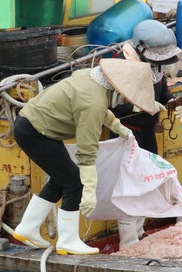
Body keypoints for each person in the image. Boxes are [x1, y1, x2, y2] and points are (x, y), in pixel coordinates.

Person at [11, 59, 158, 255]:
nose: (124, 100)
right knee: (74, 181)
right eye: (124, 96)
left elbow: (99, 107)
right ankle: (68, 240)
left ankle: (28, 227)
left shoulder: (90, 78)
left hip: (36, 127)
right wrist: (88, 189)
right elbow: (86, 149)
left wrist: (115, 125)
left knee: (61, 178)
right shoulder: (93, 103)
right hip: (35, 132)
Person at [111, 19, 182, 246]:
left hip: (147, 130)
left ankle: (140, 232)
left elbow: (163, 92)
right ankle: (128, 241)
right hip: (126, 133)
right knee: (128, 185)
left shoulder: (156, 67)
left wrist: (173, 102)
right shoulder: (118, 64)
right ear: (140, 49)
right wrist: (138, 106)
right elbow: (109, 104)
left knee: (146, 180)